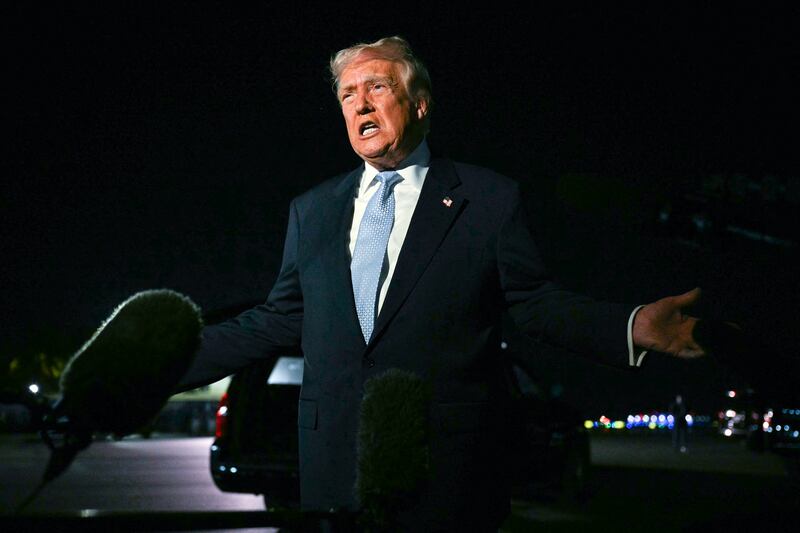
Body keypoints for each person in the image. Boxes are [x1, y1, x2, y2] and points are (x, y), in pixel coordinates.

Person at [178, 36, 706, 530]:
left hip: (447, 474)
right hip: (334, 470)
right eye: (347, 95)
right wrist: (158, 363)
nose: (359, 105)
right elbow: (277, 318)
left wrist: (632, 326)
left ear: (420, 104)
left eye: (376, 88)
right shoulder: (311, 211)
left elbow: (535, 304)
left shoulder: (487, 199)